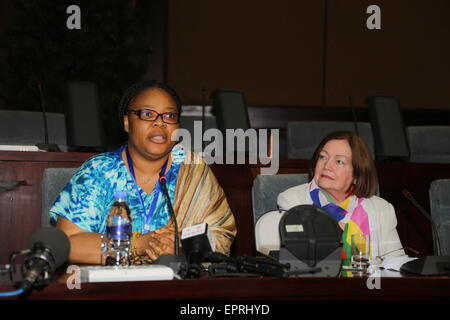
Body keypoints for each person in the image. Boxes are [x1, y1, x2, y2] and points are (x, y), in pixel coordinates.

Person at [49, 80, 236, 264]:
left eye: (169, 116)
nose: (159, 123)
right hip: (108, 287)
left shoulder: (191, 167)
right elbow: (68, 243)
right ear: (127, 123)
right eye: (147, 114)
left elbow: (220, 234)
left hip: (176, 286)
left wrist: (181, 247)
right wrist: (139, 244)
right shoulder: (100, 172)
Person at [277, 131, 405, 265]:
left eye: (339, 161)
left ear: (357, 175)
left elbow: (396, 265)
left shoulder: (382, 210)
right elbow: (296, 264)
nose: (326, 166)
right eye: (322, 157)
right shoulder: (292, 202)